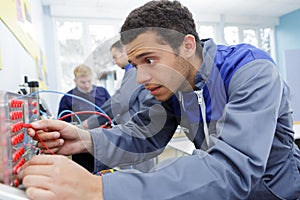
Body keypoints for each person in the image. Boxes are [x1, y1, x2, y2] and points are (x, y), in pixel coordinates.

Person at [18, 1, 300, 199]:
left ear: (187, 46)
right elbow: (143, 135)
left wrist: (99, 190)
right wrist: (84, 139)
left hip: (274, 193)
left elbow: (232, 170)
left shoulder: (251, 71)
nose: (140, 78)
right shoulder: (173, 85)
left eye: (149, 60)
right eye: (134, 64)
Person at [83, 40, 156, 172]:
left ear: (124, 52)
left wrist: (91, 122)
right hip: (132, 133)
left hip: (136, 134)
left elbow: (120, 101)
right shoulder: (130, 73)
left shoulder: (134, 71)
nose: (115, 62)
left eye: (115, 57)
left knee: (139, 176)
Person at [57, 64, 110, 173]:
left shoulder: (102, 93)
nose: (86, 85)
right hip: (81, 145)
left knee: (105, 174)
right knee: (85, 174)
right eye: (82, 82)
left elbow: (112, 112)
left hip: (104, 141)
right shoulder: (67, 98)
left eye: (89, 81)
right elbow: (63, 124)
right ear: (75, 81)